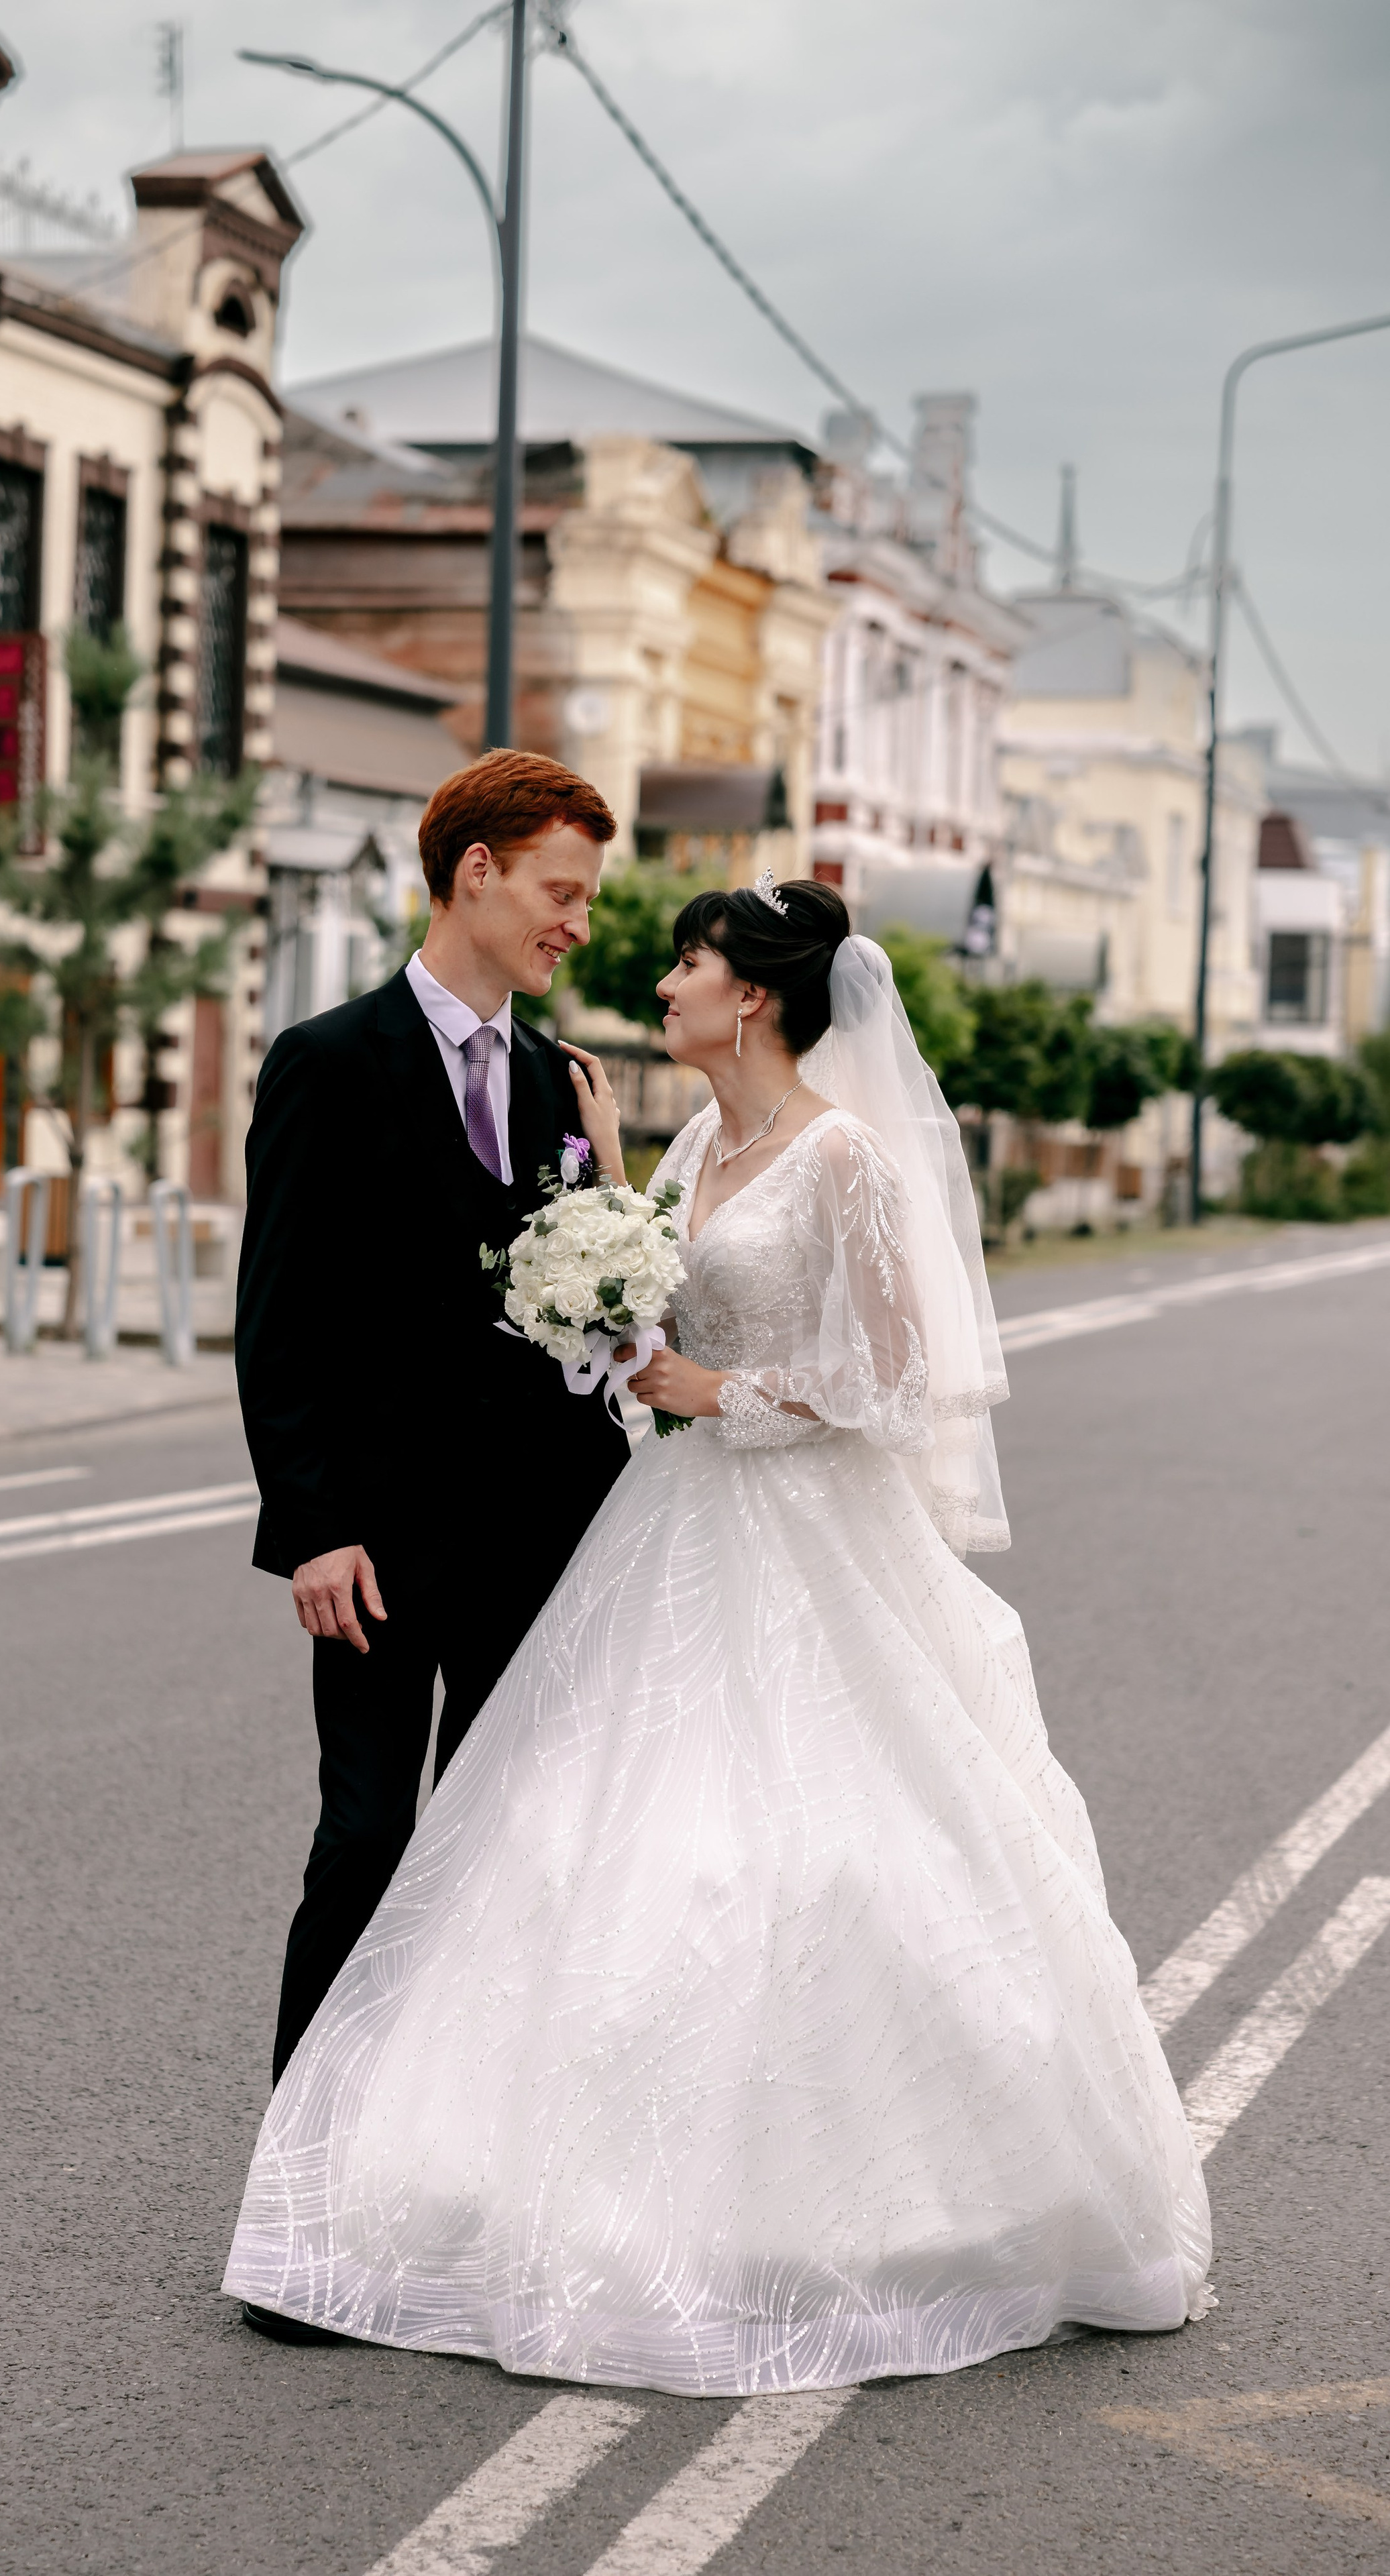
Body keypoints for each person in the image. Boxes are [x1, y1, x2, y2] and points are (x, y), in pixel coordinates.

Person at [225, 871, 1214, 2396]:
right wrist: (618, 1287)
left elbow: (899, 1389)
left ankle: (854, 2204)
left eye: (685, 961)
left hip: (804, 1536)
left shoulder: (847, 1161)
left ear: (749, 992)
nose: (662, 979)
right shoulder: (693, 1139)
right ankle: (457, 2182)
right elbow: (638, 1321)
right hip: (666, 1529)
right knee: (568, 1842)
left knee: (803, 1857)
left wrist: (724, 1398)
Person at [233, 751, 633, 2339]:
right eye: (560, 892)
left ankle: (451, 2192)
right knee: (364, 1845)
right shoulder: (326, 1061)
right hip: (381, 1549)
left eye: (588, 900)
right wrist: (311, 1528)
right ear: (475, 873)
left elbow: (584, 1321)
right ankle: (304, 2214)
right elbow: (283, 1320)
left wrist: (607, 1193)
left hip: (540, 1540)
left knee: (496, 1863)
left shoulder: (556, 1087)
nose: (577, 926)